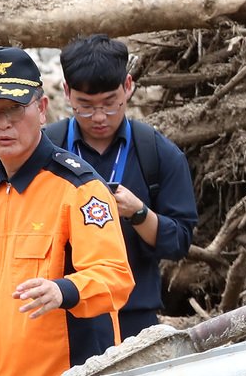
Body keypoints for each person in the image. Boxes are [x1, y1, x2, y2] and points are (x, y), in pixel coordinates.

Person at [0, 47, 134, 376]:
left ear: (42, 107)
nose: (4, 124)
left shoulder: (79, 188)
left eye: (15, 109)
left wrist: (63, 290)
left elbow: (115, 278)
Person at [43, 34, 197, 338]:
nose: (99, 117)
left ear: (128, 86)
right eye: (84, 106)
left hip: (133, 316)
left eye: (110, 104)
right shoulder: (46, 150)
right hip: (59, 316)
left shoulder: (158, 153)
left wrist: (139, 213)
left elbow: (179, 241)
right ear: (66, 92)